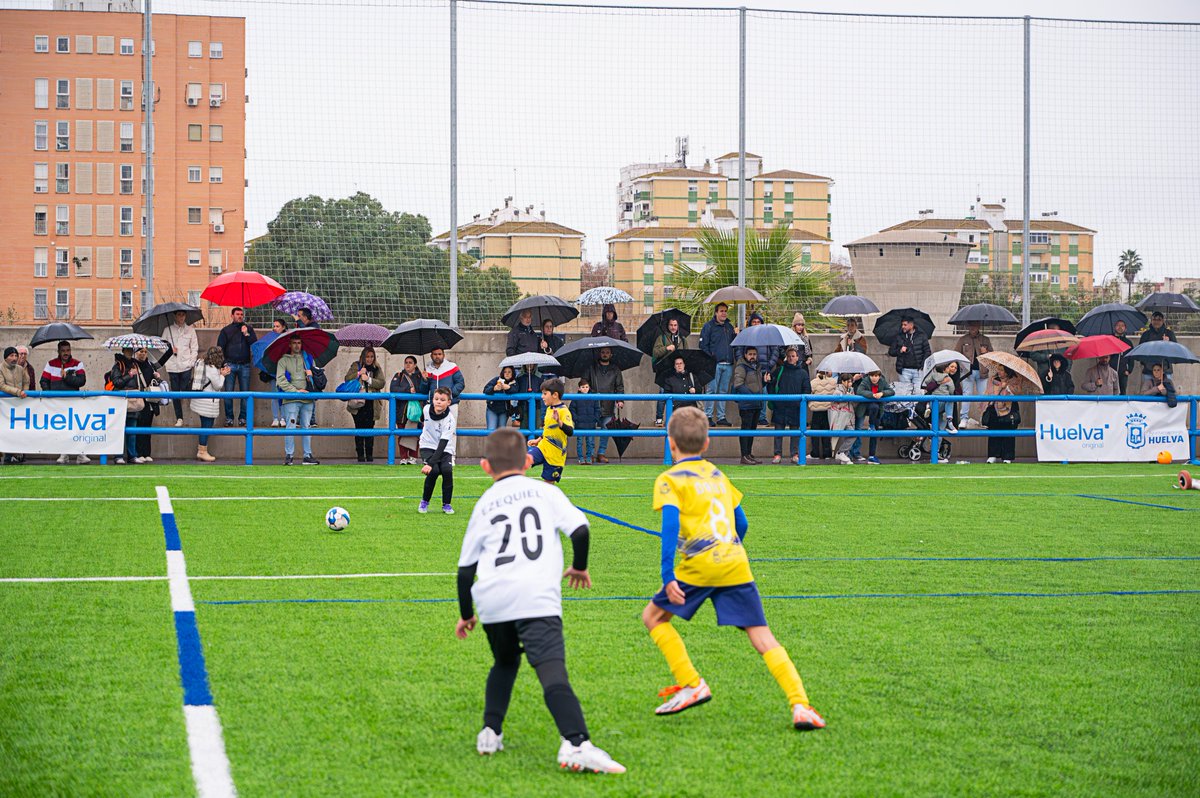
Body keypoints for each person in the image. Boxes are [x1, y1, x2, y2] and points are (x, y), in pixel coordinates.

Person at [641, 406, 826, 731]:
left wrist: (668, 575)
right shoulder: (717, 474)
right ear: (707, 442)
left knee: (654, 617)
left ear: (671, 443)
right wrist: (729, 545)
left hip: (699, 566)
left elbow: (670, 526)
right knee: (762, 636)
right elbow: (742, 521)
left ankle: (692, 683)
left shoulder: (670, 479)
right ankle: (801, 705)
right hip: (735, 563)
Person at [455, 427, 625, 773]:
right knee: (551, 671)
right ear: (529, 461)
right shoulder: (542, 491)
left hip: (493, 600)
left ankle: (490, 731)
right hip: (535, 597)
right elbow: (580, 529)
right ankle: (576, 743)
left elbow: (464, 570)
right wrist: (578, 566)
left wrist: (467, 614)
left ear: (486, 467)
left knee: (505, 662)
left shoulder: (484, 504)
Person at [41, 341, 89, 464]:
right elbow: (43, 381)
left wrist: (66, 377)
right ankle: (64, 453)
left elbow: (81, 381)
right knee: (61, 428)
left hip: (74, 402)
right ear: (58, 351)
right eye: (63, 351)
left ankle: (81, 453)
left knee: (78, 427)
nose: (66, 353)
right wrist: (50, 396)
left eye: (68, 350)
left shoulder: (77, 364)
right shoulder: (51, 364)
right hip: (57, 403)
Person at [276, 335, 318, 466]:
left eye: (299, 343)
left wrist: (311, 375)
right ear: (289, 345)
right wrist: (296, 391)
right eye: (294, 343)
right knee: (291, 426)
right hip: (290, 399)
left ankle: (307, 455)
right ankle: (289, 455)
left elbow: (317, 376)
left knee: (307, 426)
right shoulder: (283, 361)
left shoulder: (308, 359)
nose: (296, 345)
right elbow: (280, 380)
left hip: (307, 398)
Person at [526, 378, 573, 485]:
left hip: (555, 455)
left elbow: (570, 431)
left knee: (549, 484)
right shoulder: (549, 409)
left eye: (545, 394)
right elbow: (548, 429)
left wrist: (559, 422)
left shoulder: (564, 411)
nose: (542, 397)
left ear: (555, 395)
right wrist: (538, 440)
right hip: (543, 447)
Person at [581, 347, 624, 465]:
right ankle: (591, 454)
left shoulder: (616, 369)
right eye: (603, 352)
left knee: (606, 429)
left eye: (607, 352)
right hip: (592, 404)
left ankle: (601, 453)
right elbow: (583, 383)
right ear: (599, 354)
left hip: (609, 404)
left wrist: (620, 400)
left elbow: (619, 386)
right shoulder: (591, 368)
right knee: (591, 429)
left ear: (611, 354)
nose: (605, 354)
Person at [216, 307, 257, 427]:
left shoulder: (248, 329)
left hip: (244, 365)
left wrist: (246, 334)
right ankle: (229, 418)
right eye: (237, 314)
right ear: (232, 315)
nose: (240, 316)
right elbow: (220, 348)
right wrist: (223, 365)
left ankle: (242, 418)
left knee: (245, 393)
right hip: (230, 364)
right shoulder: (226, 330)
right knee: (228, 393)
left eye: (241, 314)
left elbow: (254, 345)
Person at [131, 345, 173, 462]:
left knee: (147, 427)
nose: (143, 354)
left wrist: (168, 347)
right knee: (139, 427)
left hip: (150, 401)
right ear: (135, 353)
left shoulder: (150, 365)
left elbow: (163, 360)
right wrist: (131, 374)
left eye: (145, 351)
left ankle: (146, 453)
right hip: (139, 400)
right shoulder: (133, 365)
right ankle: (139, 453)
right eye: (140, 351)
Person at [770, 347, 811, 465]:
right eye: (789, 356)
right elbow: (771, 384)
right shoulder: (779, 370)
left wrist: (800, 403)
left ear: (798, 357)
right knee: (778, 432)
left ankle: (794, 454)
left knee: (795, 433)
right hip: (780, 407)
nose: (791, 358)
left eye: (793, 356)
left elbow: (807, 389)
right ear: (786, 357)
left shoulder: (803, 373)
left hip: (795, 407)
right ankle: (777, 454)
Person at [419, 387, 456, 514]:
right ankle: (424, 501)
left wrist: (430, 463)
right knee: (434, 471)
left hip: (444, 447)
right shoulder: (425, 410)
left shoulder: (450, 420)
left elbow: (442, 444)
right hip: (427, 445)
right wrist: (431, 465)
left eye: (442, 400)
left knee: (446, 470)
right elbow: (421, 419)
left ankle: (447, 504)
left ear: (449, 402)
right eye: (436, 399)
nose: (438, 402)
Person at [699, 303, 737, 427]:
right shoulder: (708, 326)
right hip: (714, 364)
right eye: (721, 311)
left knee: (723, 391)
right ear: (716, 312)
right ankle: (708, 416)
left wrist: (737, 334)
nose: (724, 313)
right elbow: (703, 346)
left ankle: (721, 417)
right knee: (711, 390)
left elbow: (734, 344)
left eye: (725, 311)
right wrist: (711, 357)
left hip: (728, 364)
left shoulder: (729, 327)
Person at [345, 346, 385, 463]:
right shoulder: (356, 365)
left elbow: (381, 383)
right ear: (363, 356)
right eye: (367, 356)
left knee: (370, 429)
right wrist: (358, 374)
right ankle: (360, 456)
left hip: (371, 403)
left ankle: (369, 455)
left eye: (372, 356)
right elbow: (347, 378)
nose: (369, 359)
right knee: (359, 428)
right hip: (358, 403)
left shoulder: (376, 368)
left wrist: (368, 379)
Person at [189, 346, 229, 462]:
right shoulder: (212, 368)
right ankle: (202, 452)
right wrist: (223, 375)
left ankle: (202, 450)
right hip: (207, 402)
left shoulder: (203, 364)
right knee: (206, 427)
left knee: (205, 426)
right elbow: (218, 386)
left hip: (202, 400)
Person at [161, 309, 199, 427]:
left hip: (186, 366)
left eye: (183, 315)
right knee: (175, 393)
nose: (181, 317)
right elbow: (161, 346)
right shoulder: (167, 330)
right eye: (179, 315)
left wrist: (191, 363)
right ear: (175, 316)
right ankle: (179, 418)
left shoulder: (190, 330)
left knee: (184, 388)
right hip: (172, 366)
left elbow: (194, 348)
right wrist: (169, 350)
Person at [108, 349, 144, 465]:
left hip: (133, 398)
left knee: (132, 430)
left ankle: (132, 455)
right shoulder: (118, 365)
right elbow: (116, 382)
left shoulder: (135, 364)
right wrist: (129, 375)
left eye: (131, 349)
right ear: (123, 350)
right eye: (127, 349)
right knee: (119, 430)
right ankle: (118, 456)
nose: (129, 351)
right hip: (121, 399)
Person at [954, 322, 992, 426]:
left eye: (974, 326)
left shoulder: (985, 340)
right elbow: (956, 354)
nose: (972, 328)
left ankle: (983, 419)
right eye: (970, 326)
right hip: (967, 373)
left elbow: (992, 356)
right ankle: (964, 418)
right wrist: (962, 367)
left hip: (982, 372)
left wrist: (985, 352)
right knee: (967, 395)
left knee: (984, 397)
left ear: (979, 326)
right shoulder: (963, 340)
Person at [390, 355, 426, 465]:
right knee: (402, 434)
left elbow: (424, 390)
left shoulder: (420, 376)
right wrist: (407, 390)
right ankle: (404, 457)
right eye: (406, 362)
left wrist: (425, 380)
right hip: (402, 411)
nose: (408, 364)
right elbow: (393, 389)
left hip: (416, 411)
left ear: (415, 364)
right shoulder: (399, 376)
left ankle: (413, 457)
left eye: (410, 362)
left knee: (415, 434)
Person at [731, 346, 764, 465]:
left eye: (754, 354)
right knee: (746, 429)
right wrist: (751, 396)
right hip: (747, 404)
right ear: (745, 355)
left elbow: (757, 384)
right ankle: (744, 455)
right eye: (750, 354)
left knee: (752, 430)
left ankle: (748, 454)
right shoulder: (741, 367)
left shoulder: (757, 366)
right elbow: (738, 384)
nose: (752, 356)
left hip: (756, 403)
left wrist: (765, 381)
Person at [652, 317, 687, 425]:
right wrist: (667, 348)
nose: (673, 327)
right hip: (665, 370)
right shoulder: (661, 338)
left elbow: (687, 354)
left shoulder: (682, 339)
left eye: (675, 325)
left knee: (678, 394)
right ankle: (659, 418)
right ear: (668, 326)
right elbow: (655, 352)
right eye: (671, 325)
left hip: (677, 370)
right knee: (663, 393)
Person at [854, 369, 893, 465]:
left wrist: (882, 393)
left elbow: (891, 391)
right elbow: (860, 391)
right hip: (863, 407)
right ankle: (855, 453)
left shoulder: (882, 381)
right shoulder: (865, 380)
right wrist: (873, 395)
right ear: (869, 376)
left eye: (876, 376)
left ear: (879, 376)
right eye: (872, 376)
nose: (874, 378)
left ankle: (872, 455)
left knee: (874, 430)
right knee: (857, 429)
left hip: (876, 411)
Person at [983, 365, 1019, 464]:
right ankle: (992, 455)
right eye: (998, 369)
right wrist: (999, 388)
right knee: (993, 431)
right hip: (995, 407)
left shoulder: (1014, 380)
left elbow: (1018, 391)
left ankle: (1007, 456)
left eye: (1001, 370)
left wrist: (1007, 387)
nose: (999, 372)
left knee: (1009, 432)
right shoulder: (992, 379)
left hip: (1010, 408)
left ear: (1007, 371)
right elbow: (988, 392)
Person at [888, 317, 931, 395]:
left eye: (905, 325)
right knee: (905, 393)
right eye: (902, 325)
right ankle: (907, 407)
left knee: (918, 393)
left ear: (911, 325)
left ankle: (917, 407)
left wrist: (922, 365)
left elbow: (927, 351)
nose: (903, 327)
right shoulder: (899, 336)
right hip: (904, 370)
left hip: (918, 370)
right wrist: (900, 350)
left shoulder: (921, 336)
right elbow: (891, 352)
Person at [1, 347, 30, 465]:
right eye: (11, 356)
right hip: (3, 406)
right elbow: (2, 385)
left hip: (17, 406)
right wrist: (18, 392)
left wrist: (25, 393)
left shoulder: (20, 369)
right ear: (5, 357)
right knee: (4, 430)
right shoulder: (1, 369)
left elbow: (26, 381)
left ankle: (14, 455)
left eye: (15, 356)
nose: (14, 358)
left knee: (17, 429)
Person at [1138, 312, 1178, 387]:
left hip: (1166, 369)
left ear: (1163, 321)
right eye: (1154, 319)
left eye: (1159, 319)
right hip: (1149, 370)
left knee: (1166, 392)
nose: (1156, 321)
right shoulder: (1146, 335)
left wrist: (1168, 343)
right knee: (1149, 393)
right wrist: (1145, 363)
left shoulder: (1169, 333)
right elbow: (1140, 350)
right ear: (1151, 321)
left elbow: (1175, 350)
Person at [264, 318, 290, 427]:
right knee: (274, 395)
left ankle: (283, 418)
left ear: (283, 327)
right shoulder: (270, 338)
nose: (275, 328)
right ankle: (275, 418)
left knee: (283, 396)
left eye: (277, 326)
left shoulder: (288, 338)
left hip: (285, 371)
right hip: (273, 371)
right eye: (274, 326)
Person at [425, 347, 465, 416]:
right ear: (431, 356)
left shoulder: (452, 366)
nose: (437, 356)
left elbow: (460, 383)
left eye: (439, 354)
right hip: (434, 404)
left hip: (450, 404)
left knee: (450, 426)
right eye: (435, 354)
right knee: (435, 426)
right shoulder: (427, 369)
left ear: (443, 355)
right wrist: (424, 380)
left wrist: (450, 395)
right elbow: (424, 390)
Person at [925, 362, 962, 433]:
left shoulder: (934, 375)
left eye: (956, 368)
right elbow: (929, 387)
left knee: (938, 429)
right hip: (944, 405)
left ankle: (928, 407)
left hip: (935, 403)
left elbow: (927, 381)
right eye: (951, 367)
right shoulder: (948, 378)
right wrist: (939, 383)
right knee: (949, 400)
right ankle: (949, 420)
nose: (953, 369)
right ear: (945, 369)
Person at [808, 370, 836, 462]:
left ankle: (815, 453)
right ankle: (827, 453)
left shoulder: (813, 382)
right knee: (827, 432)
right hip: (828, 409)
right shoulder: (833, 382)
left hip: (816, 409)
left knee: (814, 432)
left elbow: (809, 394)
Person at [571, 377, 601, 465]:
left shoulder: (593, 398)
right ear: (579, 388)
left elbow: (597, 409)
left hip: (591, 424)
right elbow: (572, 409)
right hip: (579, 424)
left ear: (589, 388)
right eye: (583, 387)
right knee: (579, 442)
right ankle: (580, 458)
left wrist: (595, 419)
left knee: (590, 442)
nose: (585, 389)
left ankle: (589, 458)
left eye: (587, 387)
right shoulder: (575, 398)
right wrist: (576, 419)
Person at [829, 373, 857, 465]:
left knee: (852, 435)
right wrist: (847, 398)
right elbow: (835, 404)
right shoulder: (837, 391)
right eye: (848, 382)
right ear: (843, 382)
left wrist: (850, 397)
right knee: (850, 435)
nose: (850, 384)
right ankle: (841, 453)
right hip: (839, 417)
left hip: (849, 417)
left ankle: (843, 454)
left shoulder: (851, 390)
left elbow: (854, 403)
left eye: (851, 382)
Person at [483, 365, 518, 431]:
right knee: (491, 430)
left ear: (512, 373)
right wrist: (494, 388)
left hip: (504, 411)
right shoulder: (497, 379)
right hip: (492, 408)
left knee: (501, 432)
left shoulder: (514, 382)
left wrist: (508, 387)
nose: (507, 373)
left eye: (509, 372)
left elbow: (516, 390)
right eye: (505, 372)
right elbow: (485, 389)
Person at [1111, 319, 1136, 395]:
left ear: (1125, 328)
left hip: (1123, 372)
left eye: (1122, 325)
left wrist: (1129, 370)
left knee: (1122, 391)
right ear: (1115, 327)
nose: (1120, 327)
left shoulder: (1128, 342)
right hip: (1111, 371)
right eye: (1118, 325)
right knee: (1111, 391)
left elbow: (1131, 358)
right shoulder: (1111, 340)